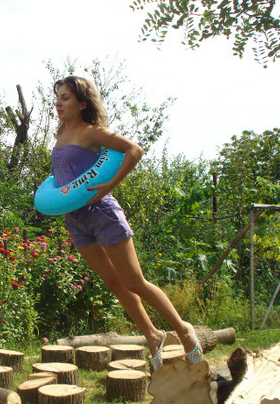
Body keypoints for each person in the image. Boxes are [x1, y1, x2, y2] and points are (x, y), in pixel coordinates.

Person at [51, 76, 202, 372]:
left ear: (82, 103)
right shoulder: (61, 133)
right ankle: (153, 335)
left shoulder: (92, 131)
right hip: (76, 219)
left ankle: (184, 330)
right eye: (57, 97)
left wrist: (109, 186)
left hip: (102, 213)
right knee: (113, 282)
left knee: (134, 281)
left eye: (66, 97)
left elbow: (134, 150)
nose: (58, 102)